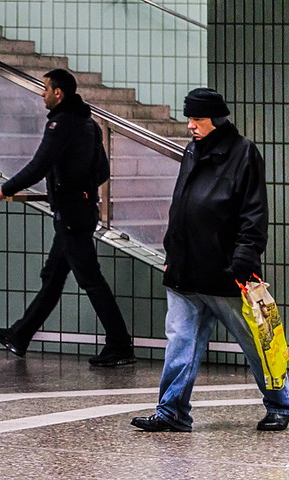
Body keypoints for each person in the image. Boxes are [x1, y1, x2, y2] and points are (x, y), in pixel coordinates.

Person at [131, 88, 289, 432]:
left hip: (226, 273)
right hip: (186, 271)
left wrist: (244, 259)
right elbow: (182, 204)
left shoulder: (243, 153)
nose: (190, 125)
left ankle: (281, 404)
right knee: (180, 344)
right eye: (189, 118)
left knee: (255, 343)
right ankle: (171, 411)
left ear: (216, 119)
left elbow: (254, 213)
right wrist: (172, 253)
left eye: (197, 119)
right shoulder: (192, 150)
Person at [0, 69, 135, 367]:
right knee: (52, 278)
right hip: (80, 211)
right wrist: (81, 186)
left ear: (58, 94)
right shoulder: (88, 123)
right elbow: (102, 171)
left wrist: (3, 191)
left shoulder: (61, 123)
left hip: (71, 216)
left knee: (91, 280)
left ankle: (120, 344)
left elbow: (39, 165)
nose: (42, 94)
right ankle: (20, 335)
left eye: (46, 89)